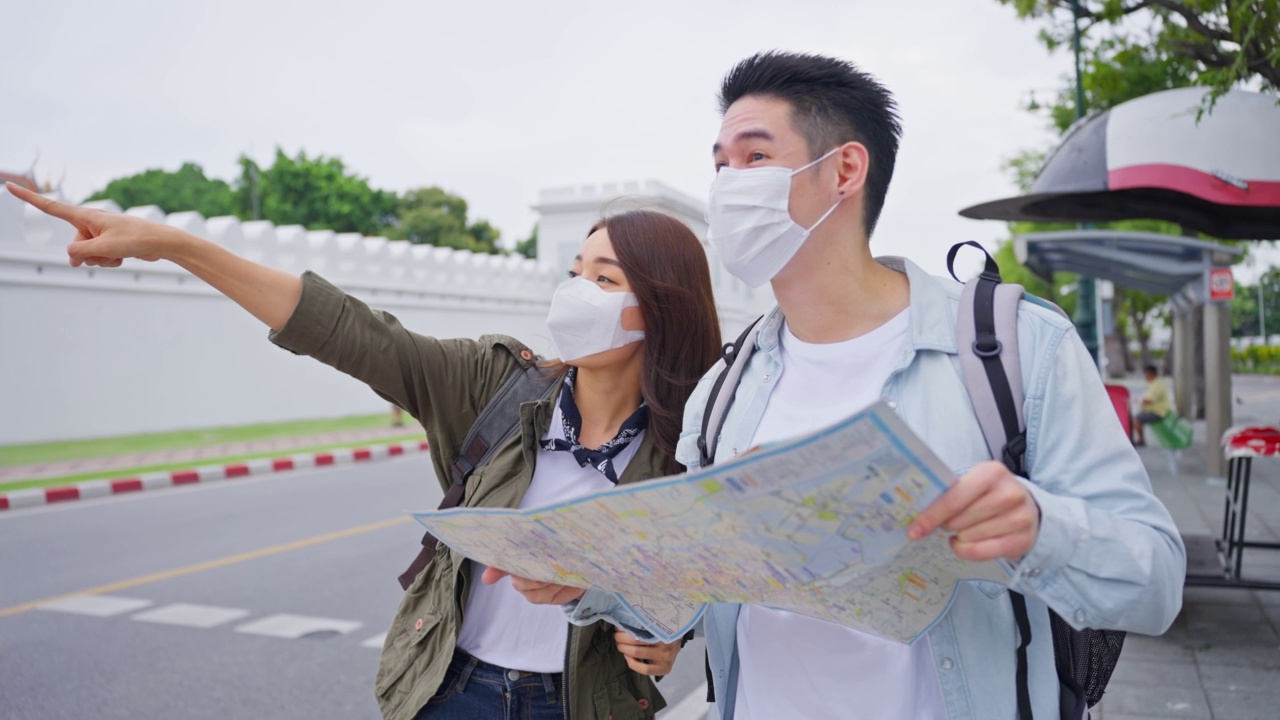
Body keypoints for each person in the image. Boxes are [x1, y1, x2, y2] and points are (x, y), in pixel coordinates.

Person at [501, 52, 1186, 720]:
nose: (727, 185)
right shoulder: (722, 395)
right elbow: (705, 596)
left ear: (844, 169)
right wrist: (597, 584)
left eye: (754, 157)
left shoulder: (1015, 348)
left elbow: (1155, 580)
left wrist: (1040, 528)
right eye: (719, 165)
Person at [7, 182, 723, 720]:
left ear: (661, 306)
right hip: (452, 688)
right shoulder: (495, 384)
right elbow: (348, 330)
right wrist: (175, 245)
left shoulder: (693, 442)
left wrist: (663, 633)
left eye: (605, 280)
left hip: (585, 703)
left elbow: (713, 586)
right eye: (575, 270)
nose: (577, 292)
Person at [1133, 364, 1173, 446]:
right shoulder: (1156, 383)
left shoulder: (1157, 385)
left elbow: (1148, 400)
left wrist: (1139, 400)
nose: (1145, 377)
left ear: (1150, 374)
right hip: (1156, 411)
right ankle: (1138, 438)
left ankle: (1141, 440)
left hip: (1158, 412)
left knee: (1137, 419)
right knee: (1137, 416)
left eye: (1146, 374)